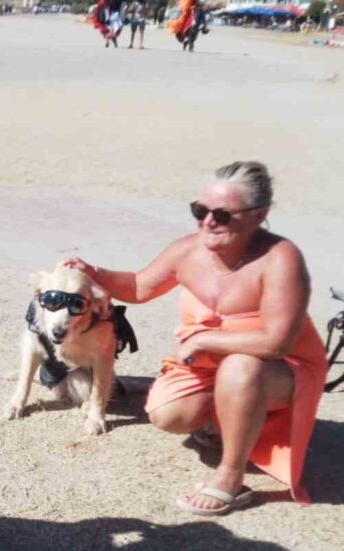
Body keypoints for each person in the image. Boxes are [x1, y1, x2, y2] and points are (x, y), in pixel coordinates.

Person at [62, 162, 327, 516]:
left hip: (281, 367)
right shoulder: (188, 250)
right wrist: (94, 273)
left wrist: (205, 341)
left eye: (222, 214)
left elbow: (276, 343)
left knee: (240, 369)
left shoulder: (281, 258)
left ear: (259, 214)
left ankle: (230, 476)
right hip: (212, 362)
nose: (208, 222)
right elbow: (140, 287)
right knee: (168, 414)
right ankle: (228, 420)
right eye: (199, 211)